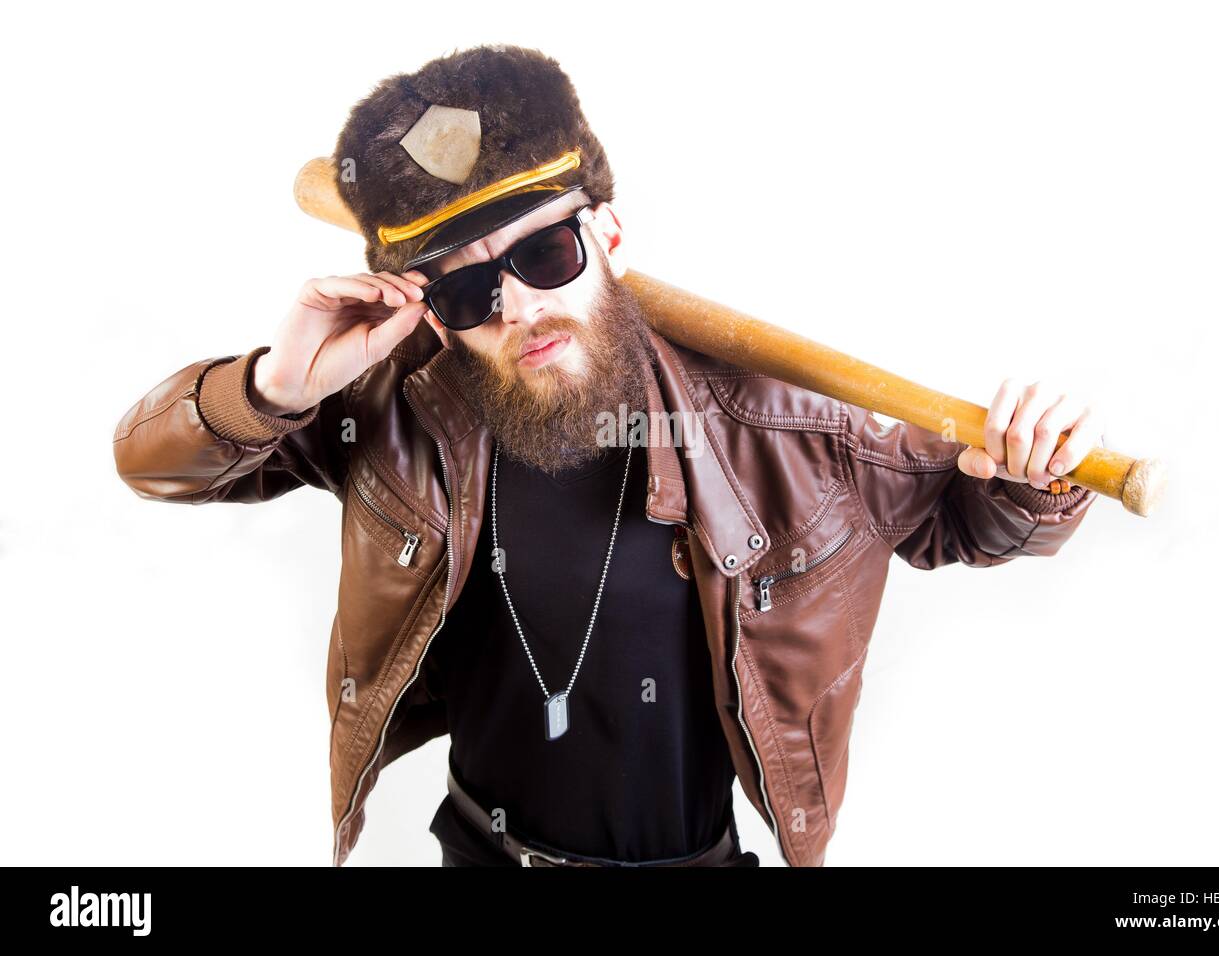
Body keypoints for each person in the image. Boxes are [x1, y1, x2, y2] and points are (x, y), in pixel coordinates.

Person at [112, 44, 1102, 867]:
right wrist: (274, 385)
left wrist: (1032, 468)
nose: (518, 306)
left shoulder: (779, 425)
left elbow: (959, 521)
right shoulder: (393, 406)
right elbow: (153, 462)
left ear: (610, 234)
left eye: (545, 255)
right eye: (464, 292)